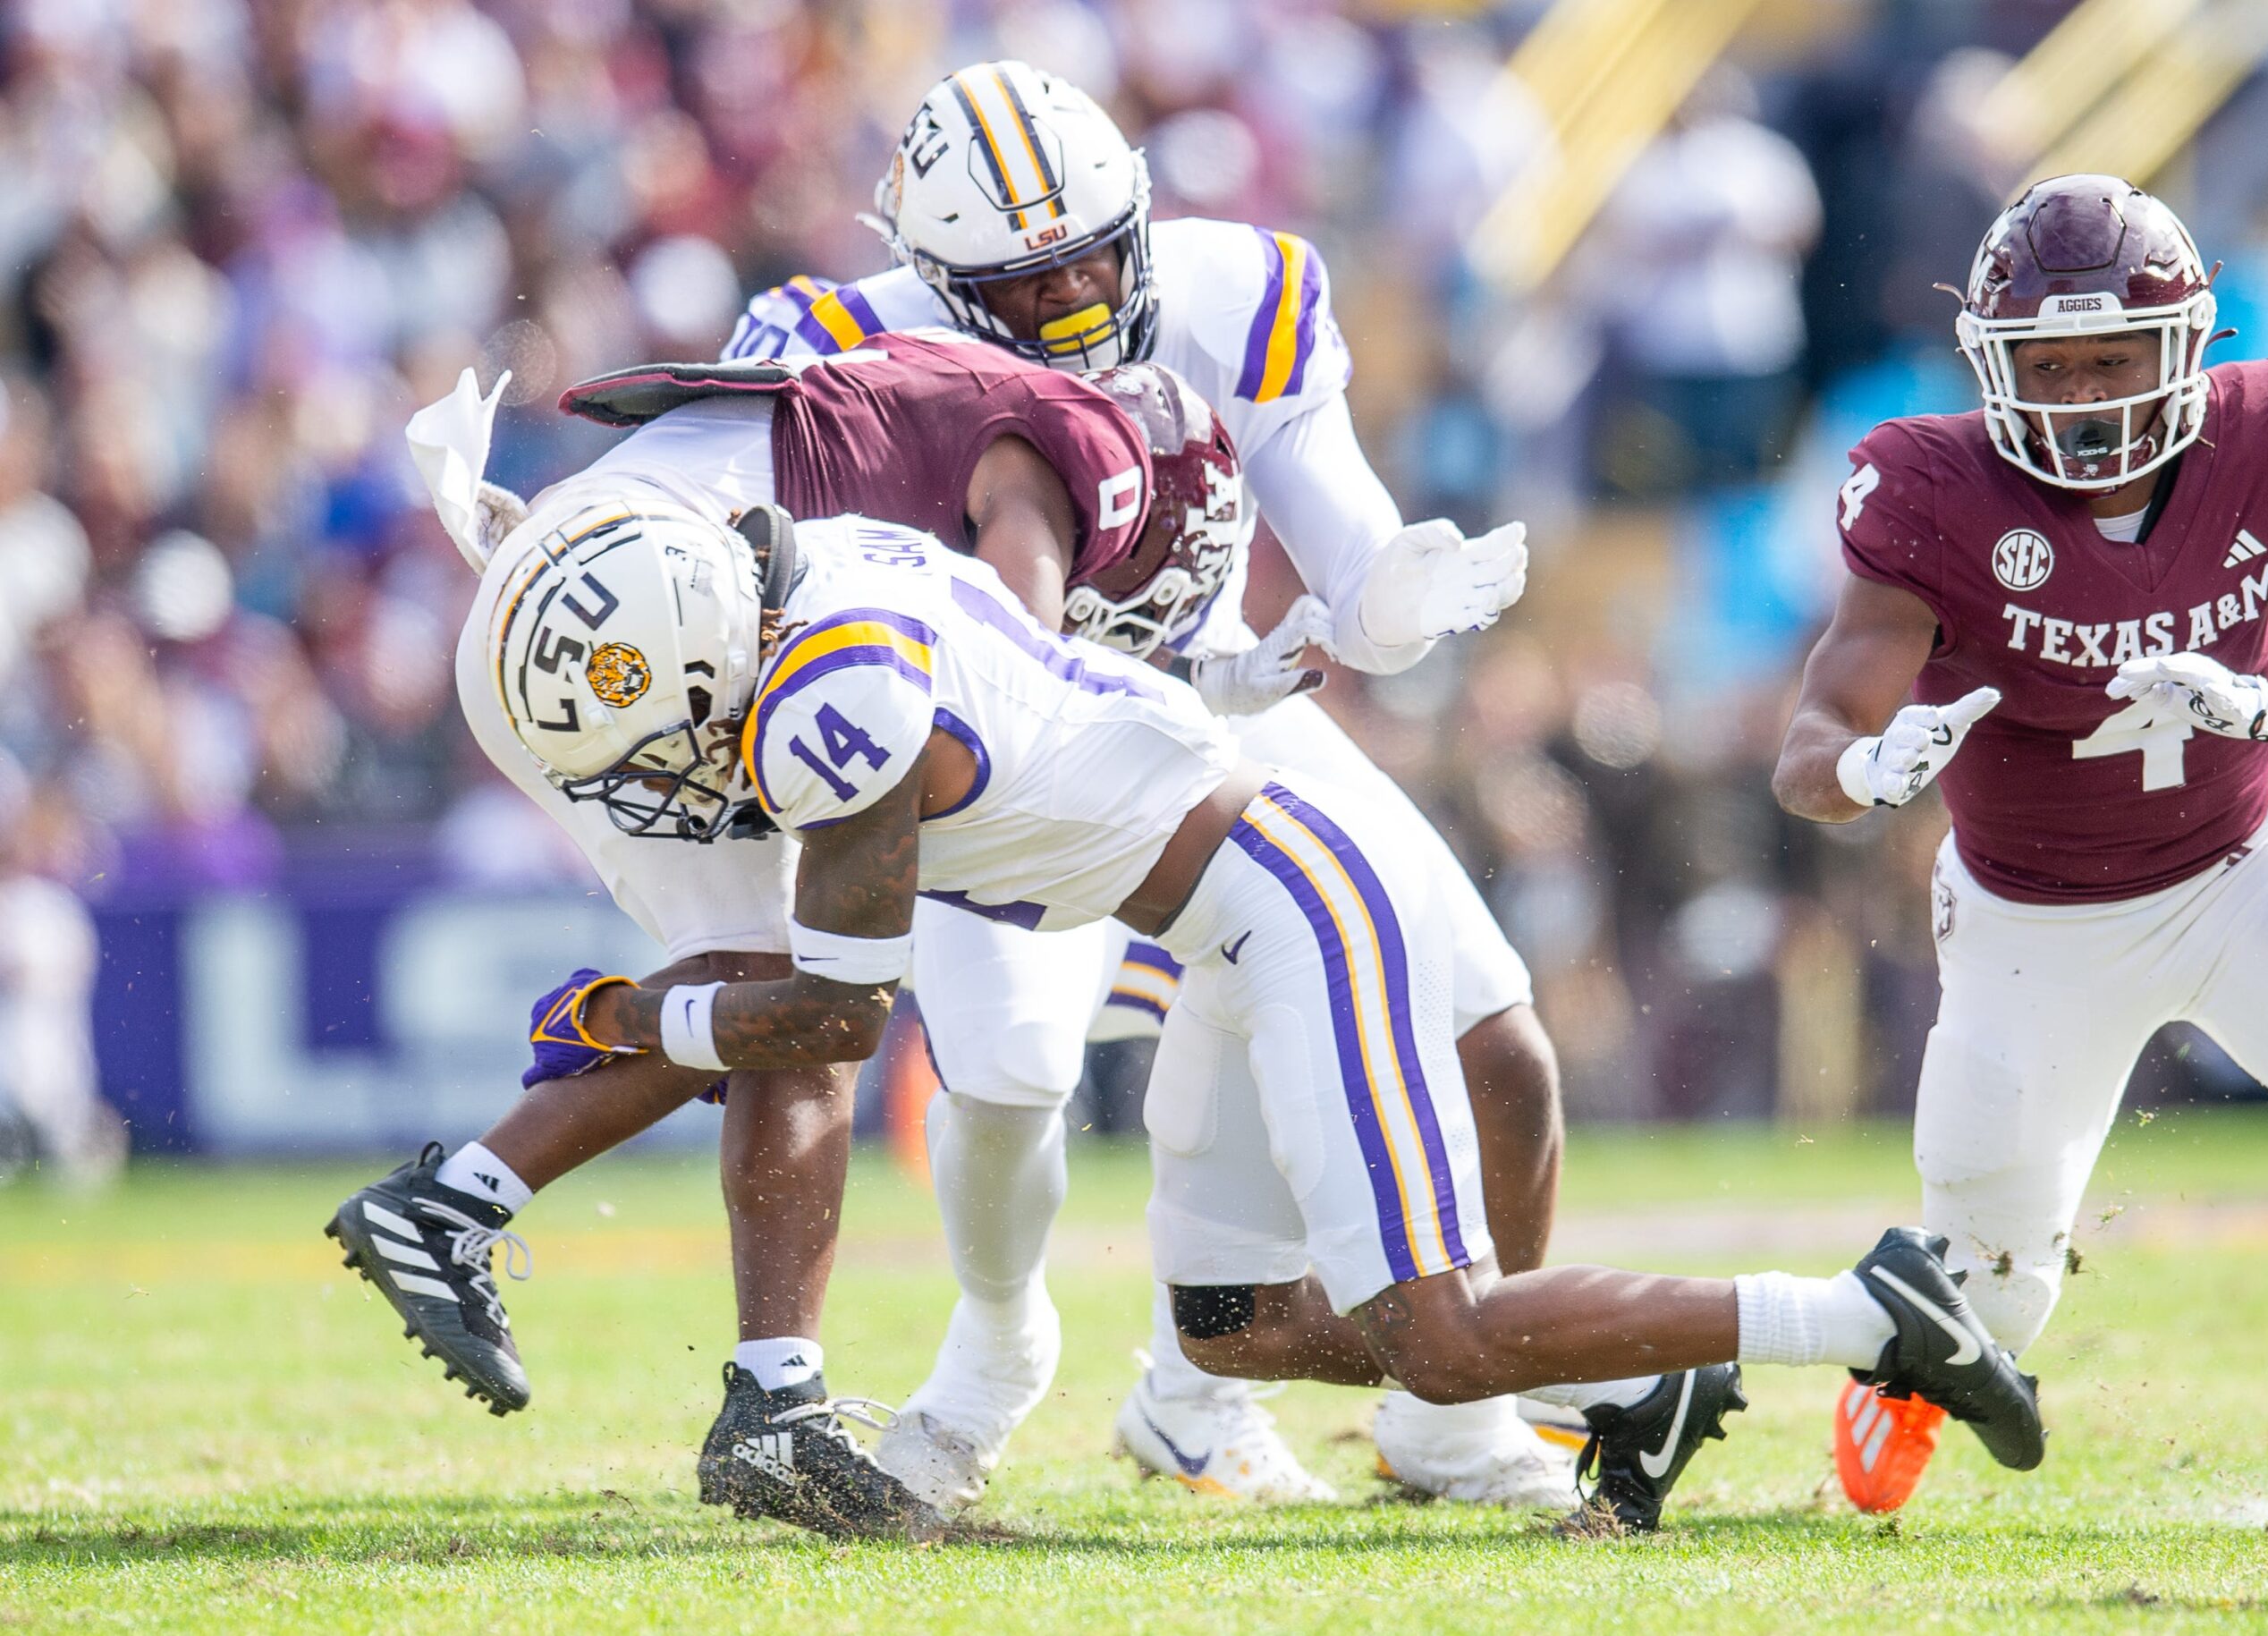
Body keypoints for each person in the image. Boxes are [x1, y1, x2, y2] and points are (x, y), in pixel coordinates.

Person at [495, 488, 2044, 1536]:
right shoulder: (824, 560)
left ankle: (1864, 1310)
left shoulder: (836, 703)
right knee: (1228, 1329)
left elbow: (833, 1022)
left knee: (1439, 1338)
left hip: (1286, 896)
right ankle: (1636, 1375)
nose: (658, 772)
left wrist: (633, 1021)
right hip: (1226, 916)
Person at [726, 58, 1567, 1511]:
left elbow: (1342, 543)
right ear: (932, 275)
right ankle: (999, 1344)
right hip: (999, 752)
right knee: (1010, 1080)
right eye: (1023, 290)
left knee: (1497, 1036)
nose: (1070, 312)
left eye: (1090, 268)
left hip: (1207, 696)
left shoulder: (1236, 288)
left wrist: (1389, 597)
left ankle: (1425, 1420)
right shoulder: (842, 348)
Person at [331, 330, 1239, 1542]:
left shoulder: (929, 362)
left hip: (571, 599)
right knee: (806, 991)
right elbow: (1018, 685)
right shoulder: (1046, 463)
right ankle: (490, 1223)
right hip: (647, 632)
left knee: (790, 984)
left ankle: (738, 1373)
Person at [1773, 174, 2268, 1513]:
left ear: (2188, 343)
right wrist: (1865, 767)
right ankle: (1903, 1380)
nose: (2087, 396)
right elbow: (1810, 738)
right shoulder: (1931, 483)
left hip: (2245, 864)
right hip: (2033, 921)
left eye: (2115, 356)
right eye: (2048, 366)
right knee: (1990, 1288)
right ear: (1991, 368)